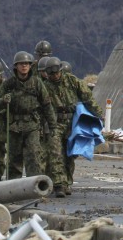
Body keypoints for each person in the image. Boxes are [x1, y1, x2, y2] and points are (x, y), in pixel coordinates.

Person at [44, 56, 103, 197]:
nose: (55, 76)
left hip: (72, 122)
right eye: (51, 74)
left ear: (60, 70)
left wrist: (99, 114)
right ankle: (59, 184)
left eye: (57, 72)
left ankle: (67, 182)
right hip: (54, 123)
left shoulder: (72, 81)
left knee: (70, 154)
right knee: (55, 153)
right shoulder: (44, 86)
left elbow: (87, 98)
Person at [0, 51, 57, 179]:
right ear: (16, 66)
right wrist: (4, 100)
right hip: (14, 126)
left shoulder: (37, 83)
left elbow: (47, 105)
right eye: (21, 64)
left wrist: (53, 126)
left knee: (34, 156)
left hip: (32, 125)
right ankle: (13, 188)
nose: (24, 66)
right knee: (14, 158)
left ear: (30, 66)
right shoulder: (9, 84)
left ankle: (34, 186)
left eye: (27, 64)